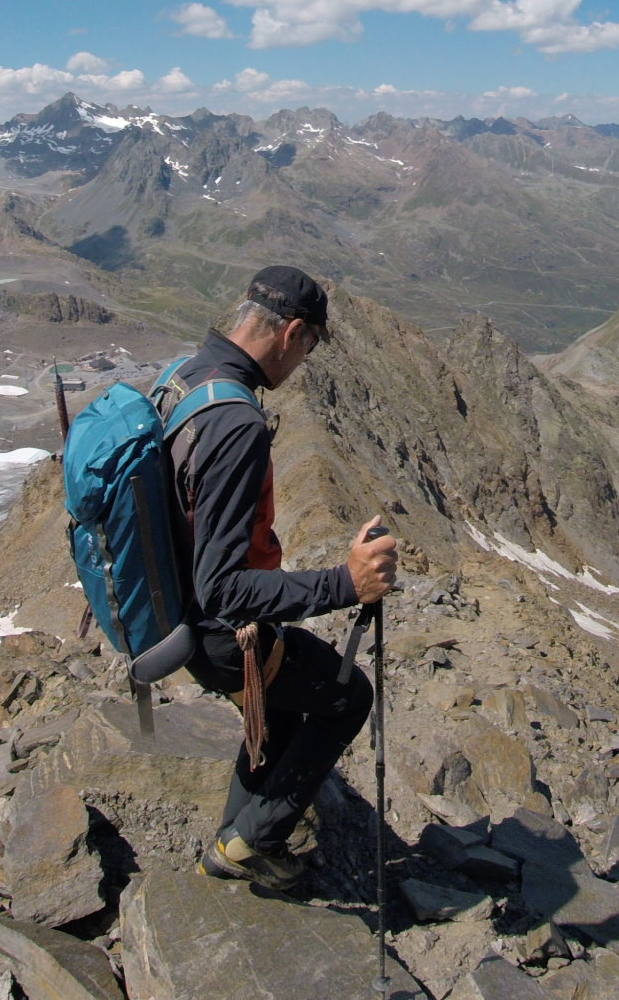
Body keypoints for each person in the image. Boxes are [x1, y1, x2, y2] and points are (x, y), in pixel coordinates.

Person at [157, 265, 398, 888]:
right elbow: (224, 590)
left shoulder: (185, 377)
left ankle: (234, 845)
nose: (302, 363)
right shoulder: (235, 423)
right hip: (218, 634)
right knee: (347, 697)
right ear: (292, 333)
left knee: (287, 711)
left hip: (172, 613)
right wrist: (346, 584)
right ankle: (255, 841)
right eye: (309, 347)